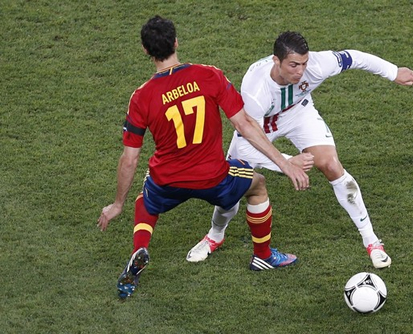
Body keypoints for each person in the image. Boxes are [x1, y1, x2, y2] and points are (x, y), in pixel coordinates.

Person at [97, 18, 310, 299]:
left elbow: (130, 159)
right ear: (176, 42)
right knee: (256, 184)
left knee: (146, 201)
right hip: (213, 178)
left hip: (168, 180)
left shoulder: (141, 97)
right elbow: (244, 125)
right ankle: (263, 255)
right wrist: (284, 163)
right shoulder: (209, 76)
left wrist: (117, 204)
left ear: (145, 51)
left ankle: (140, 249)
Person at [187, 31, 413, 269]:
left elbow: (355, 57)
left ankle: (371, 241)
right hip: (258, 128)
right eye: (294, 65)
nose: (301, 71)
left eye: (304, 63)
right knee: (232, 186)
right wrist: (287, 161)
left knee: (331, 165)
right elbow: (249, 135)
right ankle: (215, 235)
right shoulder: (255, 91)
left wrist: (393, 72)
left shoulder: (318, 64)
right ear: (276, 61)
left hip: (298, 113)